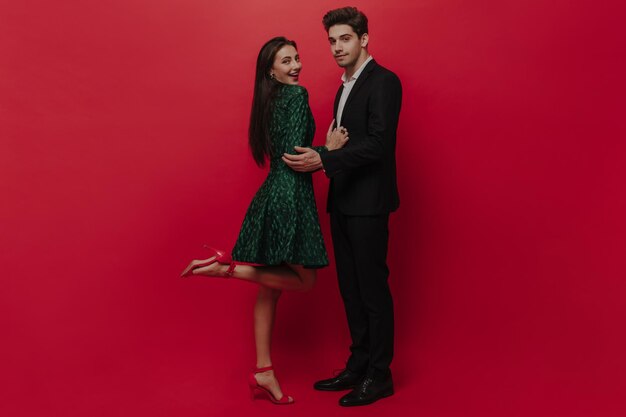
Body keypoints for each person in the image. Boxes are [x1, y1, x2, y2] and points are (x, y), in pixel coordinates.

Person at [180, 37, 348, 405]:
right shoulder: (296, 95)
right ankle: (224, 269)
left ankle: (263, 372)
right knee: (305, 282)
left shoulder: (268, 101)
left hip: (273, 192)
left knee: (271, 289)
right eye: (286, 61)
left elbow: (281, 150)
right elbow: (292, 154)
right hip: (289, 196)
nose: (296, 66)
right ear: (270, 70)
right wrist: (328, 150)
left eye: (297, 58)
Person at [282, 7, 402, 407]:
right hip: (344, 201)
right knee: (350, 290)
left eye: (345, 38)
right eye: (332, 41)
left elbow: (378, 145)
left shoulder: (384, 82)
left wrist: (325, 161)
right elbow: (343, 143)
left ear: (364, 38)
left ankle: (379, 376)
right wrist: (324, 155)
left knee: (371, 290)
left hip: (369, 205)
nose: (336, 47)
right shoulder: (343, 87)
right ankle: (359, 365)